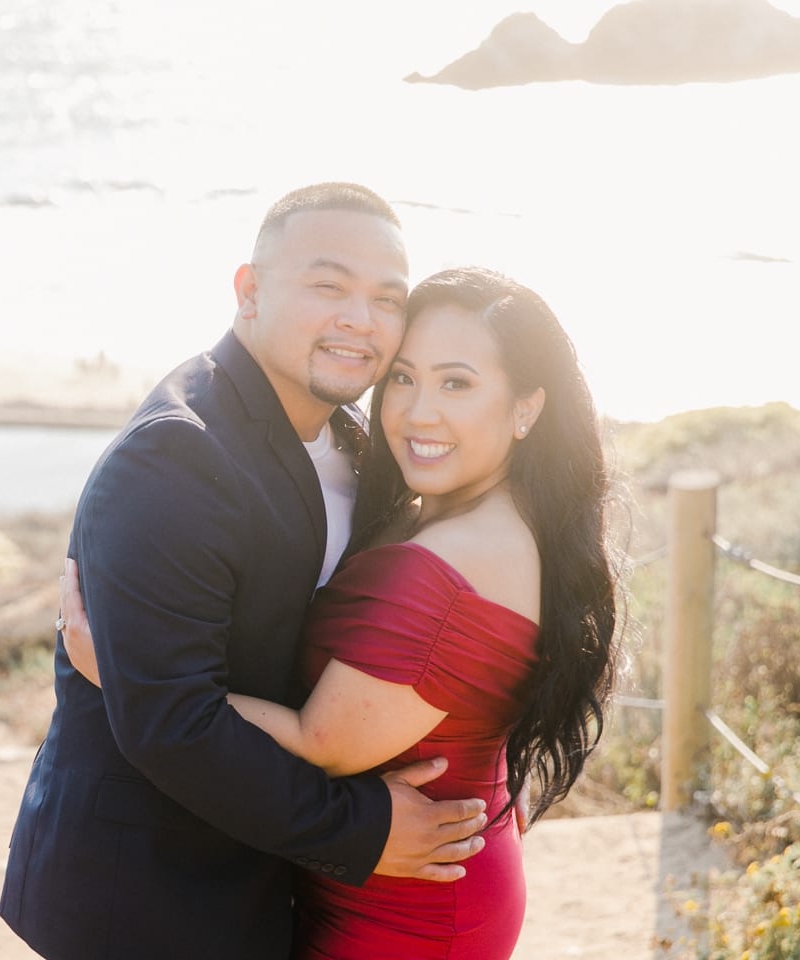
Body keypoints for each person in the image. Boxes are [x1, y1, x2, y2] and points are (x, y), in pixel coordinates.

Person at [59, 266, 619, 957]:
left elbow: (322, 741)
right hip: (421, 872)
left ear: (527, 407)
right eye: (404, 378)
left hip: (409, 907)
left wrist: (127, 673)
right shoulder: (460, 512)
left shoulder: (462, 556)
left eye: (457, 383)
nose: (417, 413)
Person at [0, 183, 490, 960]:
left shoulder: (361, 443)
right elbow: (172, 725)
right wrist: (361, 829)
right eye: (329, 286)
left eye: (386, 299)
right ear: (250, 291)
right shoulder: (177, 455)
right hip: (148, 895)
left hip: (266, 875)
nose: (360, 321)